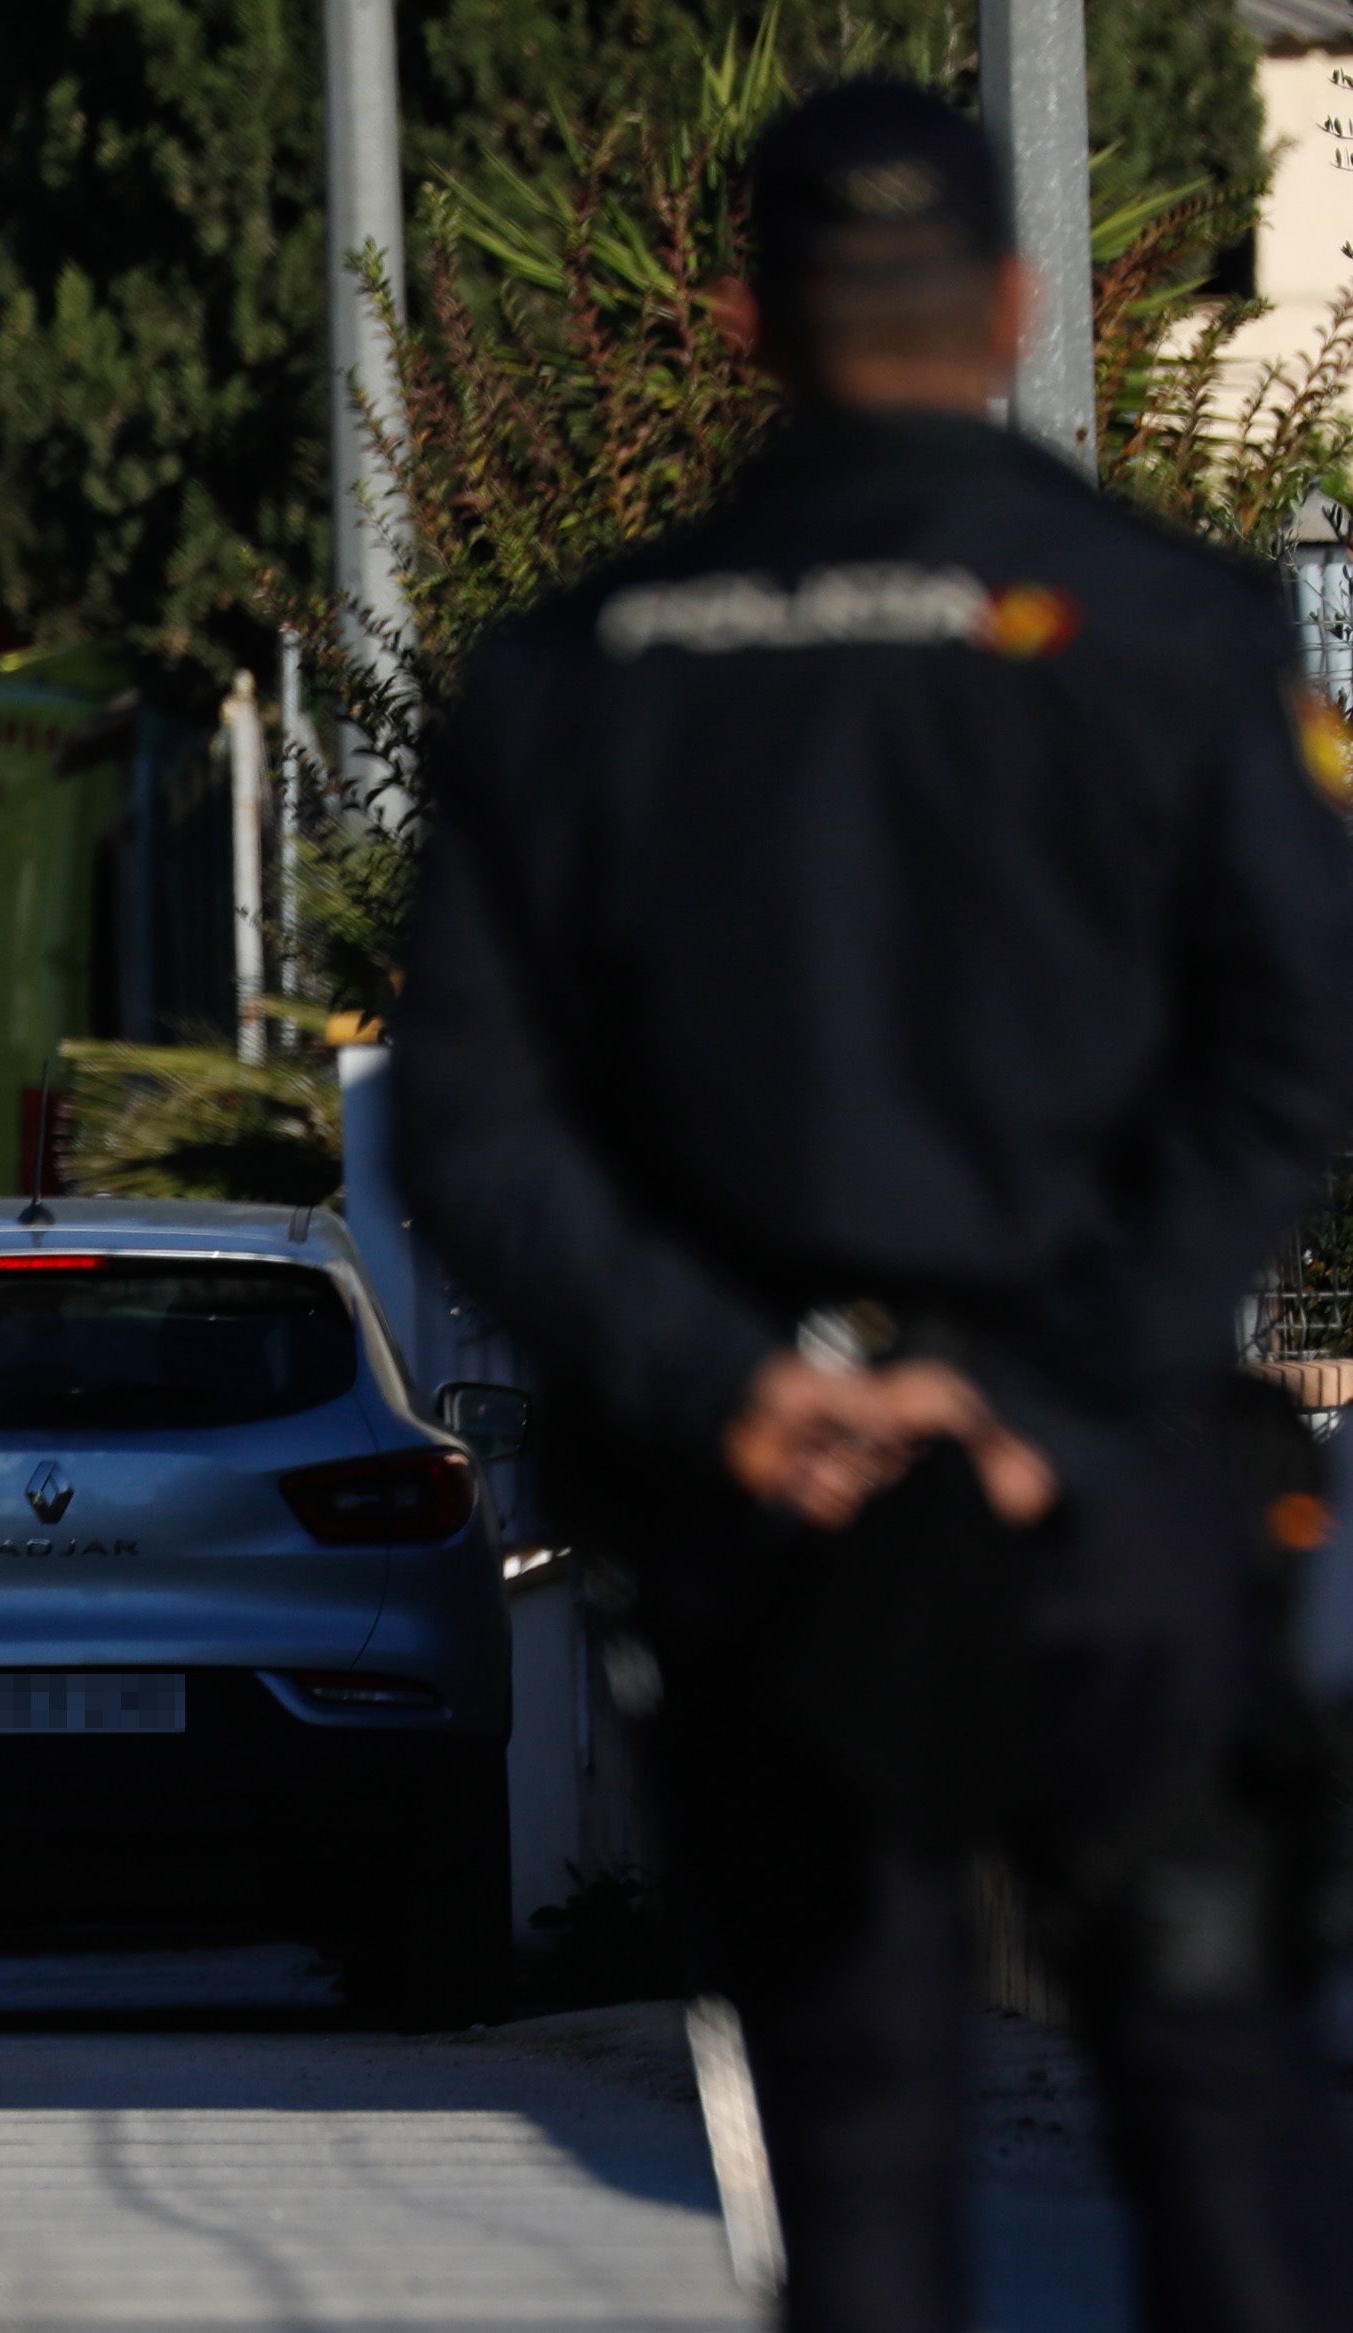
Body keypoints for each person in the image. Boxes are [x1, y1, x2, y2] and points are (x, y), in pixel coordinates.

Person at [393, 79, 1353, 2333]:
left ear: (742, 325)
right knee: (1219, 2128)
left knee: (862, 2149)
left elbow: (475, 1124)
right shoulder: (1175, 629)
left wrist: (728, 1381)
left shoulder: (573, 675)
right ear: (1015, 307)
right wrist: (1063, 1370)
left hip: (771, 1530)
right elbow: (1292, 1047)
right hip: (1103, 1491)